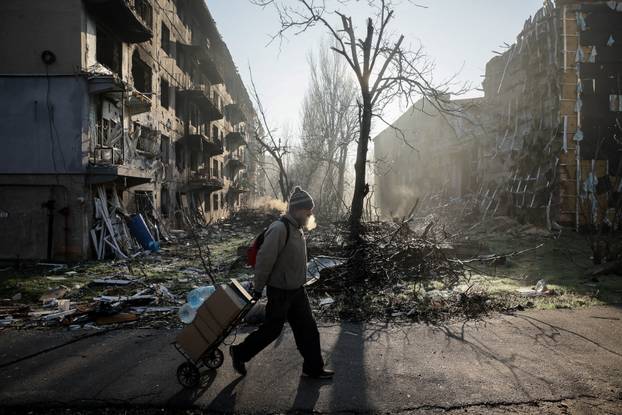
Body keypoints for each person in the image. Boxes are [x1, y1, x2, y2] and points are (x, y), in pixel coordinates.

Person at [230, 187, 334, 379]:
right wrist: (258, 287)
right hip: (280, 292)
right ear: (296, 209)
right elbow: (264, 260)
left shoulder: (297, 229)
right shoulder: (279, 229)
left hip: (297, 291)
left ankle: (313, 368)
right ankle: (240, 353)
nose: (310, 213)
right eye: (307, 209)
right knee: (271, 330)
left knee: (308, 330)